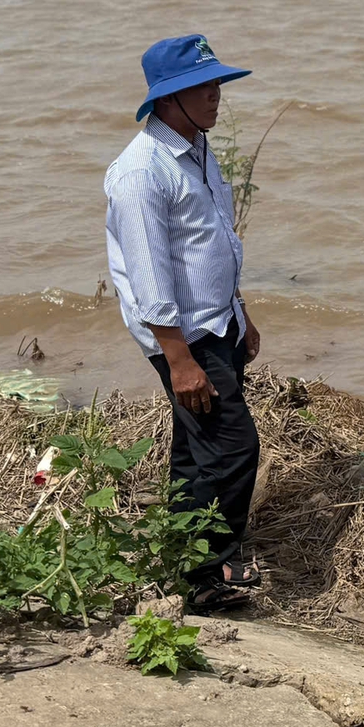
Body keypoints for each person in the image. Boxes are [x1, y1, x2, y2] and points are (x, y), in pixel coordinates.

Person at [104, 34, 262, 613]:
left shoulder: (195, 147)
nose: (217, 95)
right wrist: (180, 361)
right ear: (167, 100)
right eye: (203, 86)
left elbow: (213, 242)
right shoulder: (140, 173)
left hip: (215, 321)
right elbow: (149, 279)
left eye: (217, 82)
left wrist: (241, 313)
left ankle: (185, 562)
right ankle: (209, 567)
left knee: (195, 453)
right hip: (182, 336)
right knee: (236, 448)